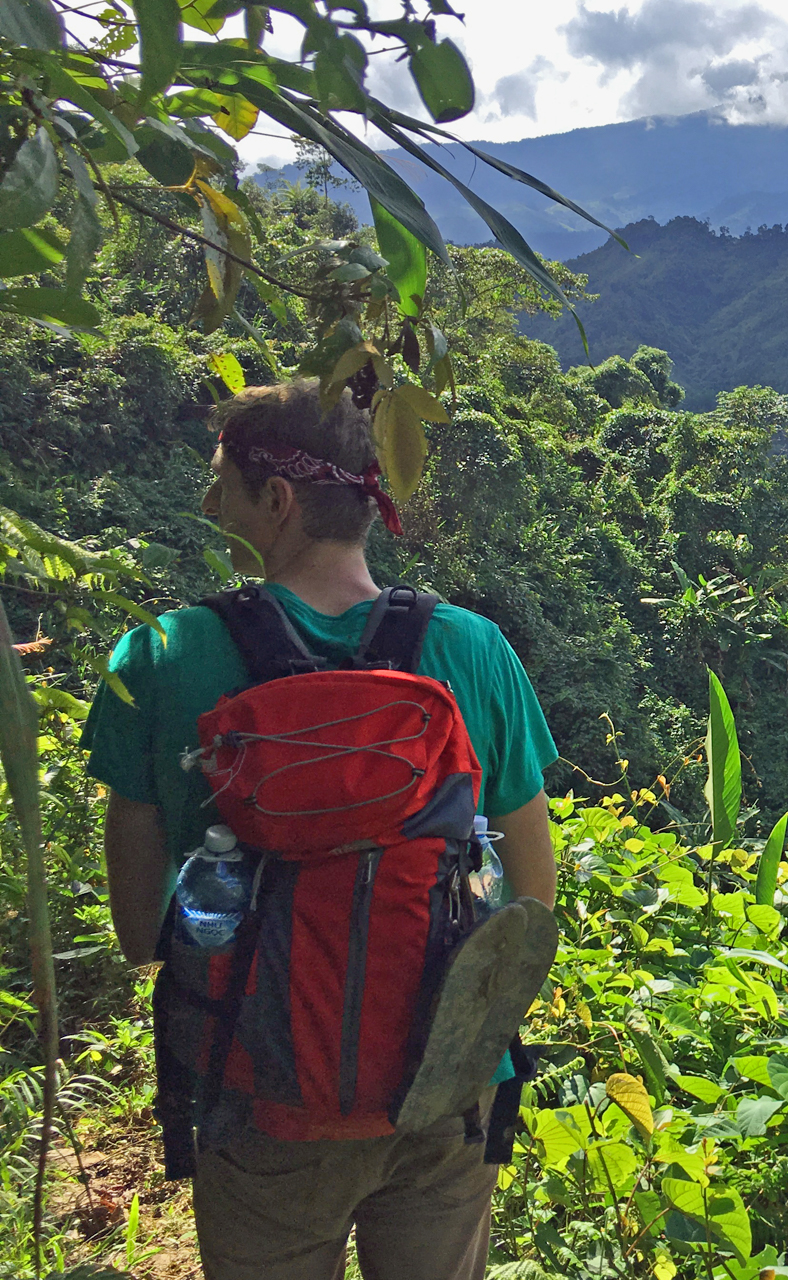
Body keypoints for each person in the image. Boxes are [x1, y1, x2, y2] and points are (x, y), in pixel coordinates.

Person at [81, 380, 559, 1280]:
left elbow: (139, 929)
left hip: (259, 1095)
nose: (208, 501)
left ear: (279, 499)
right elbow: (532, 902)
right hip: (445, 1086)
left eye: (220, 480)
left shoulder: (160, 654)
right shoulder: (474, 648)